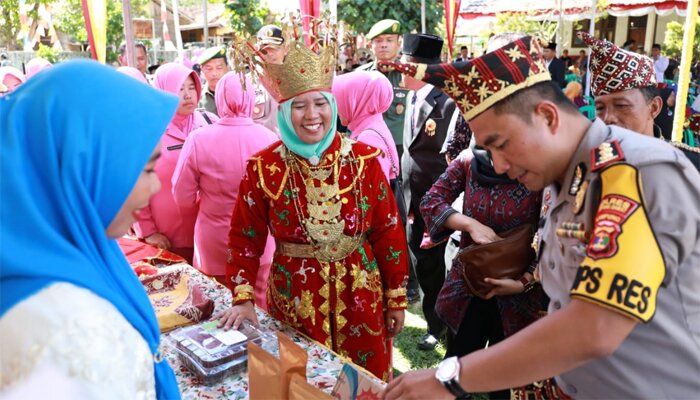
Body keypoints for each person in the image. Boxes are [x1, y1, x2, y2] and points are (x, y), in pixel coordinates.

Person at [379, 35, 700, 399]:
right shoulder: (574, 174)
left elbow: (594, 326)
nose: (498, 165)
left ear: (547, 116)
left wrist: (451, 376)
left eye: (501, 144)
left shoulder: (629, 173)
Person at [214, 30, 409, 381]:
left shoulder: (365, 160)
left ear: (332, 107)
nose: (312, 115)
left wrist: (395, 295)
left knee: (364, 382)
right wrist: (243, 295)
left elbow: (388, 230)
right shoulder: (263, 167)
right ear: (285, 111)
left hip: (361, 295)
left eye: (320, 103)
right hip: (294, 299)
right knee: (303, 383)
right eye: (299, 106)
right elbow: (244, 236)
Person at [0, 60, 181, 399]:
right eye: (146, 169)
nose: (156, 186)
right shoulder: (66, 331)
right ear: (82, 167)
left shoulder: (62, 249)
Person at [172, 71, 278, 306]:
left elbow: (182, 196)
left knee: (217, 309)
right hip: (259, 238)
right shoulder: (270, 139)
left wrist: (209, 203)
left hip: (214, 238)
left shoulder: (199, 139)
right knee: (261, 307)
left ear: (219, 98)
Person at [401, 33, 458, 350]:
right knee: (424, 265)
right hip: (413, 199)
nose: (399, 70)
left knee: (443, 267)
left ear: (417, 67)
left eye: (404, 64)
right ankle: (434, 323)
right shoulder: (409, 97)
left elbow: (452, 157)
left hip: (441, 203)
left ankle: (447, 327)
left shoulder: (447, 101)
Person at [133, 63, 218, 262]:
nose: (188, 95)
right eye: (180, 89)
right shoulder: (148, 132)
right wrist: (147, 232)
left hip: (209, 236)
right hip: (167, 239)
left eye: (191, 87)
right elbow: (134, 186)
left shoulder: (209, 122)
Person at [580, 32, 700, 171]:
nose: (608, 118)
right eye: (600, 108)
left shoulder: (688, 168)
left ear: (654, 107)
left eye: (621, 106)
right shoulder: (587, 166)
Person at [332, 70, 400, 182]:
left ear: (355, 101)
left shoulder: (368, 137)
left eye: (340, 101)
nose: (335, 109)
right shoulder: (371, 125)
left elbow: (374, 190)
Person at [357, 19, 410, 160]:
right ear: (371, 44)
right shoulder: (359, 76)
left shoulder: (410, 75)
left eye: (389, 40)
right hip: (366, 145)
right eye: (379, 41)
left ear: (399, 42)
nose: (384, 45)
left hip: (400, 147)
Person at [252, 25, 288, 133]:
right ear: (256, 50)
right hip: (260, 147)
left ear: (285, 49)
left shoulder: (298, 81)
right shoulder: (247, 84)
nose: (270, 53)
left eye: (275, 48)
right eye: (265, 49)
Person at [197, 45, 229, 116]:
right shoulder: (197, 97)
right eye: (209, 69)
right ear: (202, 70)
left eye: (219, 68)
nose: (214, 73)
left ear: (227, 68)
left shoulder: (237, 94)